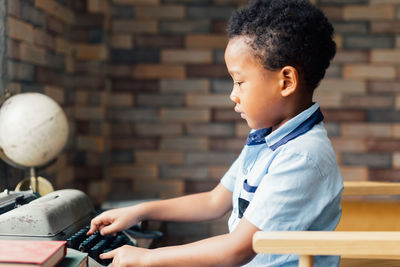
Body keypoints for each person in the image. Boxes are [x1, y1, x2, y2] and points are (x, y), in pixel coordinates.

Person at [87, 0, 343, 266]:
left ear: (286, 81)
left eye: (240, 81)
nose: (233, 94)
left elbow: (236, 250)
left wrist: (146, 258)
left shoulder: (302, 156)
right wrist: (140, 211)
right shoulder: (270, 137)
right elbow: (214, 202)